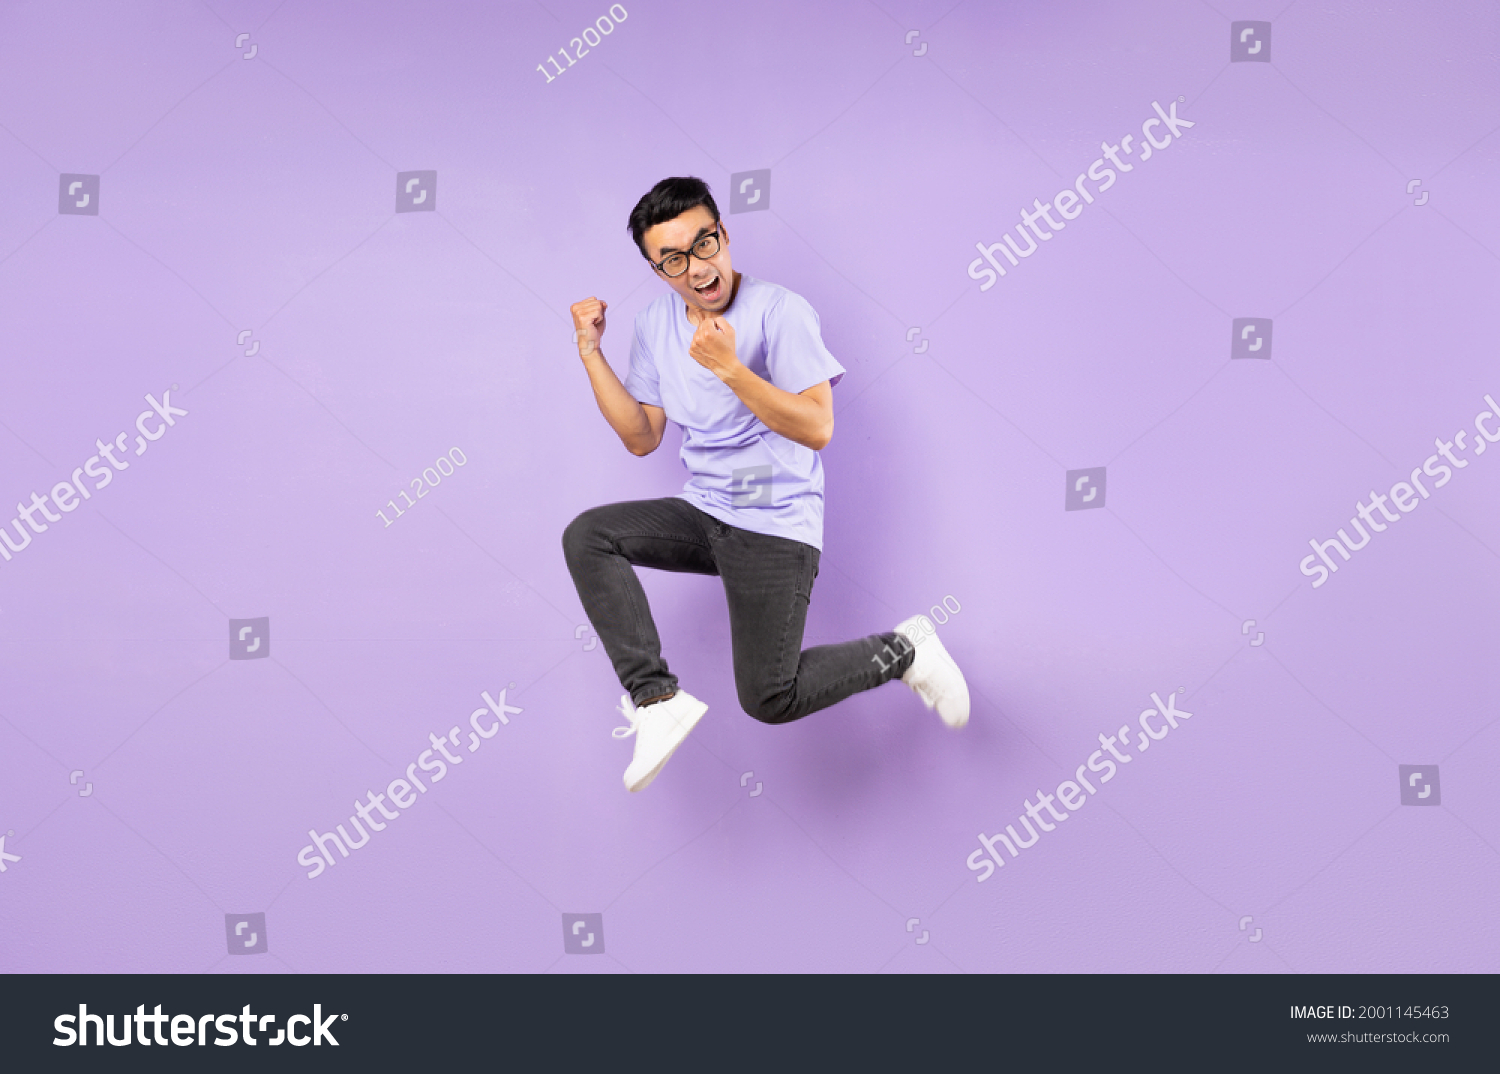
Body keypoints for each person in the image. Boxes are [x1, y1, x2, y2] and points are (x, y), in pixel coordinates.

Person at [563, 176, 969, 793]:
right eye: (674, 259)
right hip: (706, 510)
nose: (697, 268)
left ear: (724, 234)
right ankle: (656, 701)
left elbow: (817, 427)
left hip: (775, 518)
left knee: (770, 697)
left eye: (704, 244)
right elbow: (643, 436)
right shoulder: (654, 325)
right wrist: (591, 351)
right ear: (657, 269)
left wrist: (730, 369)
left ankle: (905, 650)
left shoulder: (781, 311)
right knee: (589, 536)